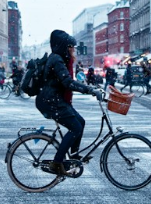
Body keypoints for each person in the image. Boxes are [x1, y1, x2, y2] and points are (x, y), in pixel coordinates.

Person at [36, 30, 102, 175]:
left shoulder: (59, 59)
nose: (73, 49)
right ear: (64, 47)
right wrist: (89, 90)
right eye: (71, 46)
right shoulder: (57, 60)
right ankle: (57, 163)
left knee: (81, 122)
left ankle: (73, 156)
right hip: (51, 101)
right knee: (75, 128)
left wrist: (89, 88)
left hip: (55, 100)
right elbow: (67, 82)